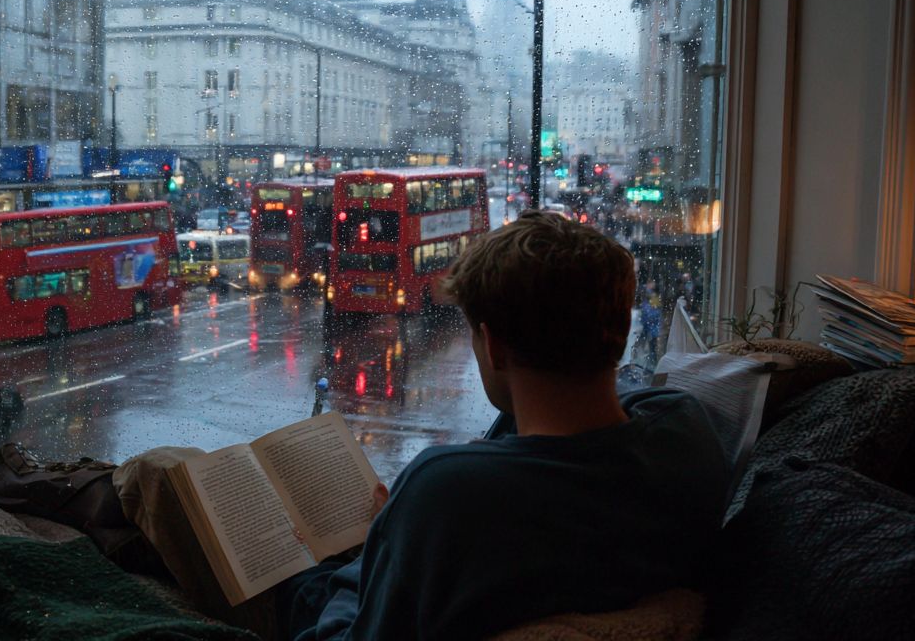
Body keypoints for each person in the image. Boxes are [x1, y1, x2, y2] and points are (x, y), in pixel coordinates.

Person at [278, 211, 730, 640]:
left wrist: (377, 548)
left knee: (299, 586)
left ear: (492, 345)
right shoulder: (685, 429)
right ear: (618, 323)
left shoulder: (444, 493)